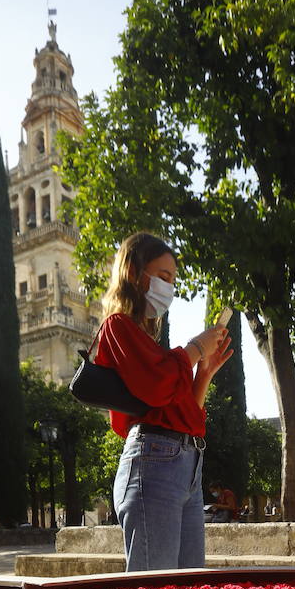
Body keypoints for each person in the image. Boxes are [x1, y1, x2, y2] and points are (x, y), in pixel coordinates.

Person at [97, 232, 232, 571]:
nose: (170, 287)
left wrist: (203, 373)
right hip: (154, 461)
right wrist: (194, 349)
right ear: (132, 271)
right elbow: (157, 388)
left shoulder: (149, 344)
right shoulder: (117, 327)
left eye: (173, 279)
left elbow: (187, 416)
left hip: (185, 461)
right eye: (164, 277)